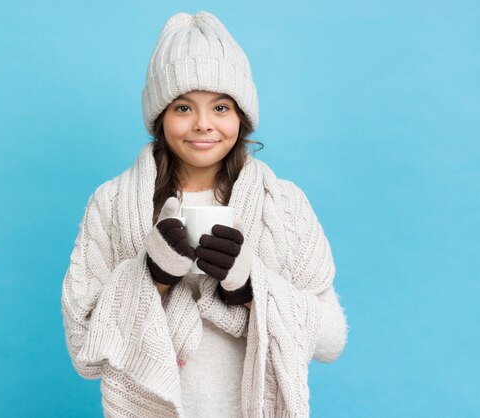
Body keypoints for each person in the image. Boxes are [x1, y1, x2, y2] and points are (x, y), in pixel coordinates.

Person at [61, 11, 348, 418]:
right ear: (160, 116)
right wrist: (152, 278)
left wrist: (249, 288)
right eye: (182, 108)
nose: (202, 125)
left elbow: (330, 340)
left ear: (241, 116)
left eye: (220, 107)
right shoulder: (111, 204)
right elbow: (83, 342)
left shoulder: (283, 205)